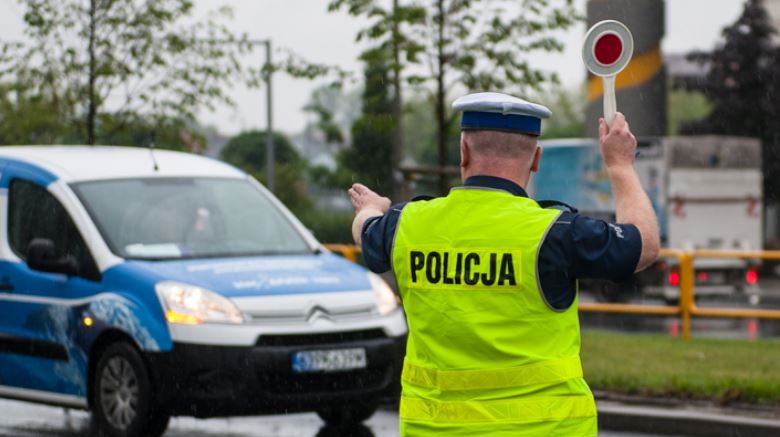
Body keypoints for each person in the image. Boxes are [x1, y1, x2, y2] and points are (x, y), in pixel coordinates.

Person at [348, 92, 660, 436]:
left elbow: (366, 231)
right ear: (536, 159)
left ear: (463, 151)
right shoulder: (556, 232)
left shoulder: (406, 223)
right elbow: (644, 245)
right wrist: (620, 166)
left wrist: (371, 207)